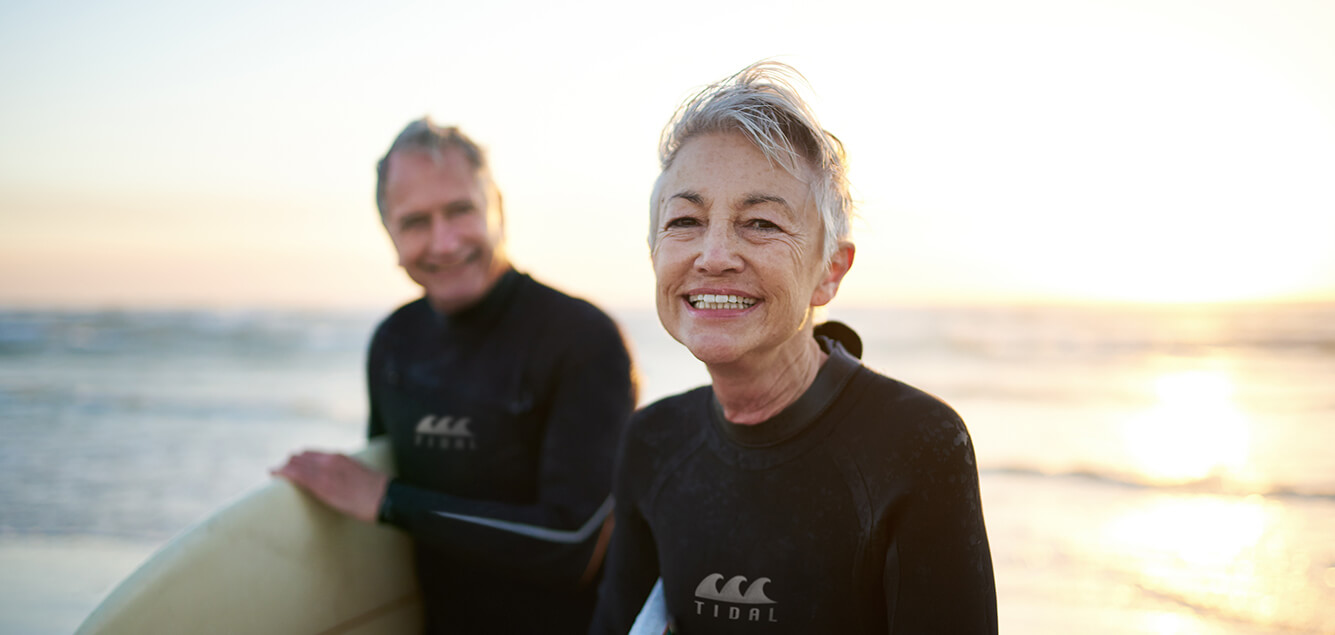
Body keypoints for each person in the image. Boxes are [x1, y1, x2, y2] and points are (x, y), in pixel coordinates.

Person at [589, 62, 997, 634]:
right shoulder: (653, 440)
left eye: (761, 223)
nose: (714, 255)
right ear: (655, 253)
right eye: (685, 220)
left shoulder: (917, 445)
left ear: (830, 272)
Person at [274, 119, 637, 634]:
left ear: (498, 209)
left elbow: (573, 545)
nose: (443, 243)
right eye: (415, 222)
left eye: (460, 211)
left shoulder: (580, 338)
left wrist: (387, 499)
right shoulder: (394, 344)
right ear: (389, 234)